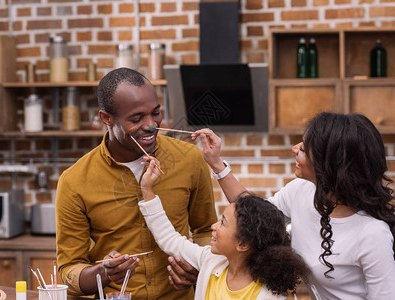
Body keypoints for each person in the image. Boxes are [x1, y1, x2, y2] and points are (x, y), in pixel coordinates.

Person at [192, 112, 395, 300]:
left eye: (304, 149)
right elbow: (255, 215)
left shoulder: (373, 235)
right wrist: (217, 164)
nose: (295, 148)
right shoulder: (302, 190)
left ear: (329, 166)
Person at [55, 67, 217, 299]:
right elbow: (69, 269)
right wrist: (103, 273)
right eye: (136, 118)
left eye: (156, 112)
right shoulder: (74, 181)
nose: (151, 125)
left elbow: (205, 231)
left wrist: (198, 264)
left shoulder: (189, 159)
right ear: (106, 118)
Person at [139, 158, 310, 300]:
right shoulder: (210, 260)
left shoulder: (270, 296)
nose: (213, 226)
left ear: (242, 244)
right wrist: (147, 191)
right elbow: (169, 239)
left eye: (222, 222)